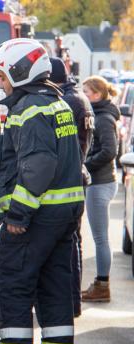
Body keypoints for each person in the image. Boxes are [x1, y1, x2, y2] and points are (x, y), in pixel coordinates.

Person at [0, 39, 84, 344]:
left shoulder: (29, 108)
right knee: (54, 290)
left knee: (14, 286)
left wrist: (18, 214)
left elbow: (37, 166)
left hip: (34, 219)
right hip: (63, 216)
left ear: (20, 73)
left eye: (3, 75)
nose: (0, 82)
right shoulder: (56, 103)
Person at [49, 57, 95, 316]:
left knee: (67, 244)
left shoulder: (66, 102)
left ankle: (69, 302)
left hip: (69, 178)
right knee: (74, 242)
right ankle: (72, 301)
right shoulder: (80, 98)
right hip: (79, 175)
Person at [80, 75, 119, 302]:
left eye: (85, 92)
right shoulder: (100, 114)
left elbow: (109, 151)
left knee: (100, 238)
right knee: (100, 237)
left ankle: (102, 285)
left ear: (96, 94)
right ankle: (100, 284)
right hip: (101, 182)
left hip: (100, 183)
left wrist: (84, 164)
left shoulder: (103, 118)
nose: (83, 95)